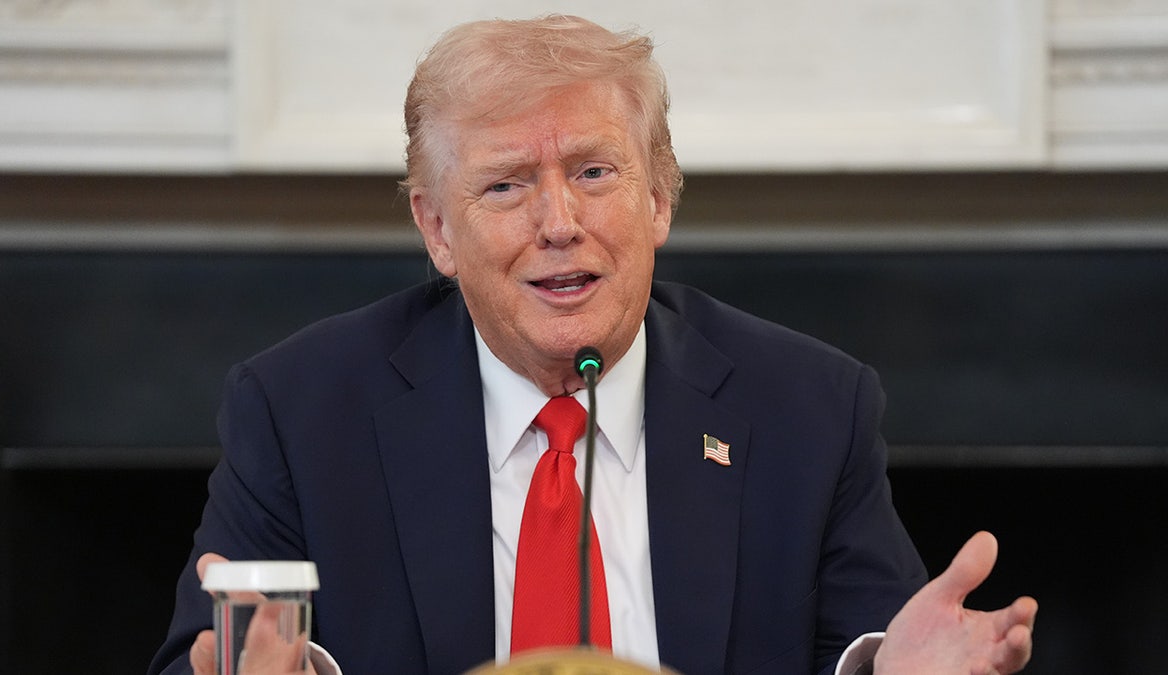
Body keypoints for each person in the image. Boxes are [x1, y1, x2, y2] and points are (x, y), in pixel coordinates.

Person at [149, 14, 1036, 675]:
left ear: (658, 198)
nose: (559, 223)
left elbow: (877, 647)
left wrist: (890, 670)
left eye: (594, 172)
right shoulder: (302, 410)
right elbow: (207, 655)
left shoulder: (807, 408)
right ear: (437, 230)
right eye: (504, 185)